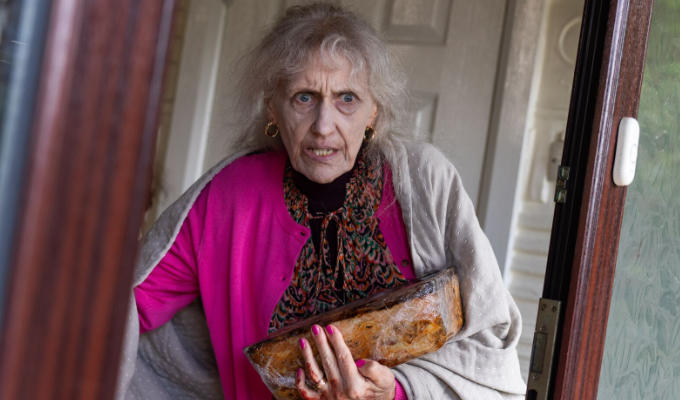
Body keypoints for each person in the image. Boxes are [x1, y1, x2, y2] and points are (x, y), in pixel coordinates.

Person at [117, 3, 526, 399]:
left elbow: (489, 338)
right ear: (273, 108)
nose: (323, 127)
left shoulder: (423, 182)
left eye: (347, 98)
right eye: (304, 97)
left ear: (373, 114)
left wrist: (396, 393)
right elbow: (120, 307)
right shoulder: (227, 198)